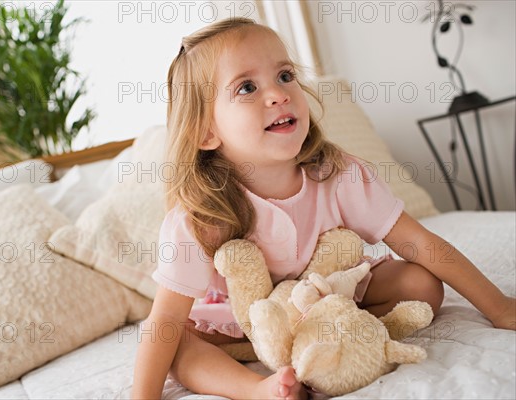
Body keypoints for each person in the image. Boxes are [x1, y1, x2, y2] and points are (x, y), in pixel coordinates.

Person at [132, 17, 515, 400]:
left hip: (324, 300)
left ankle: (330, 341)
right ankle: (260, 389)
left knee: (422, 285)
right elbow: (164, 318)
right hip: (239, 323)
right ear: (205, 132)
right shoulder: (202, 216)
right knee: (176, 342)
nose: (279, 94)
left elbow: (418, 242)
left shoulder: (338, 174)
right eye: (247, 87)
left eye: (285, 76)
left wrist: (498, 307)